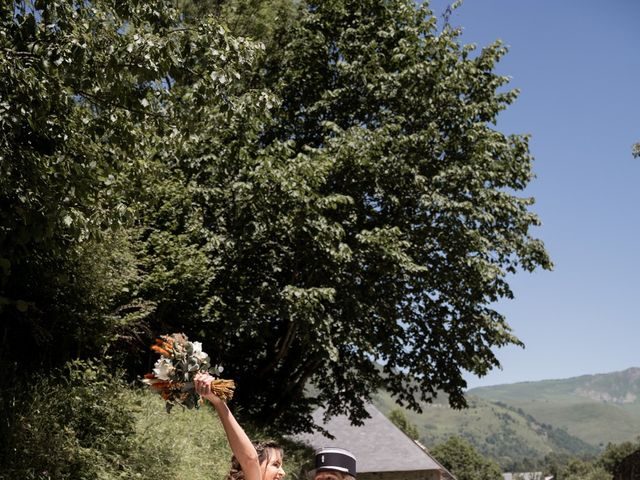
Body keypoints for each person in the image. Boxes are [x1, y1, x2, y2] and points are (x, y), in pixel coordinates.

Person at [194, 372, 286, 480]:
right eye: (275, 464)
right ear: (256, 465)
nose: (283, 473)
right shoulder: (251, 462)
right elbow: (250, 459)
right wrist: (218, 402)